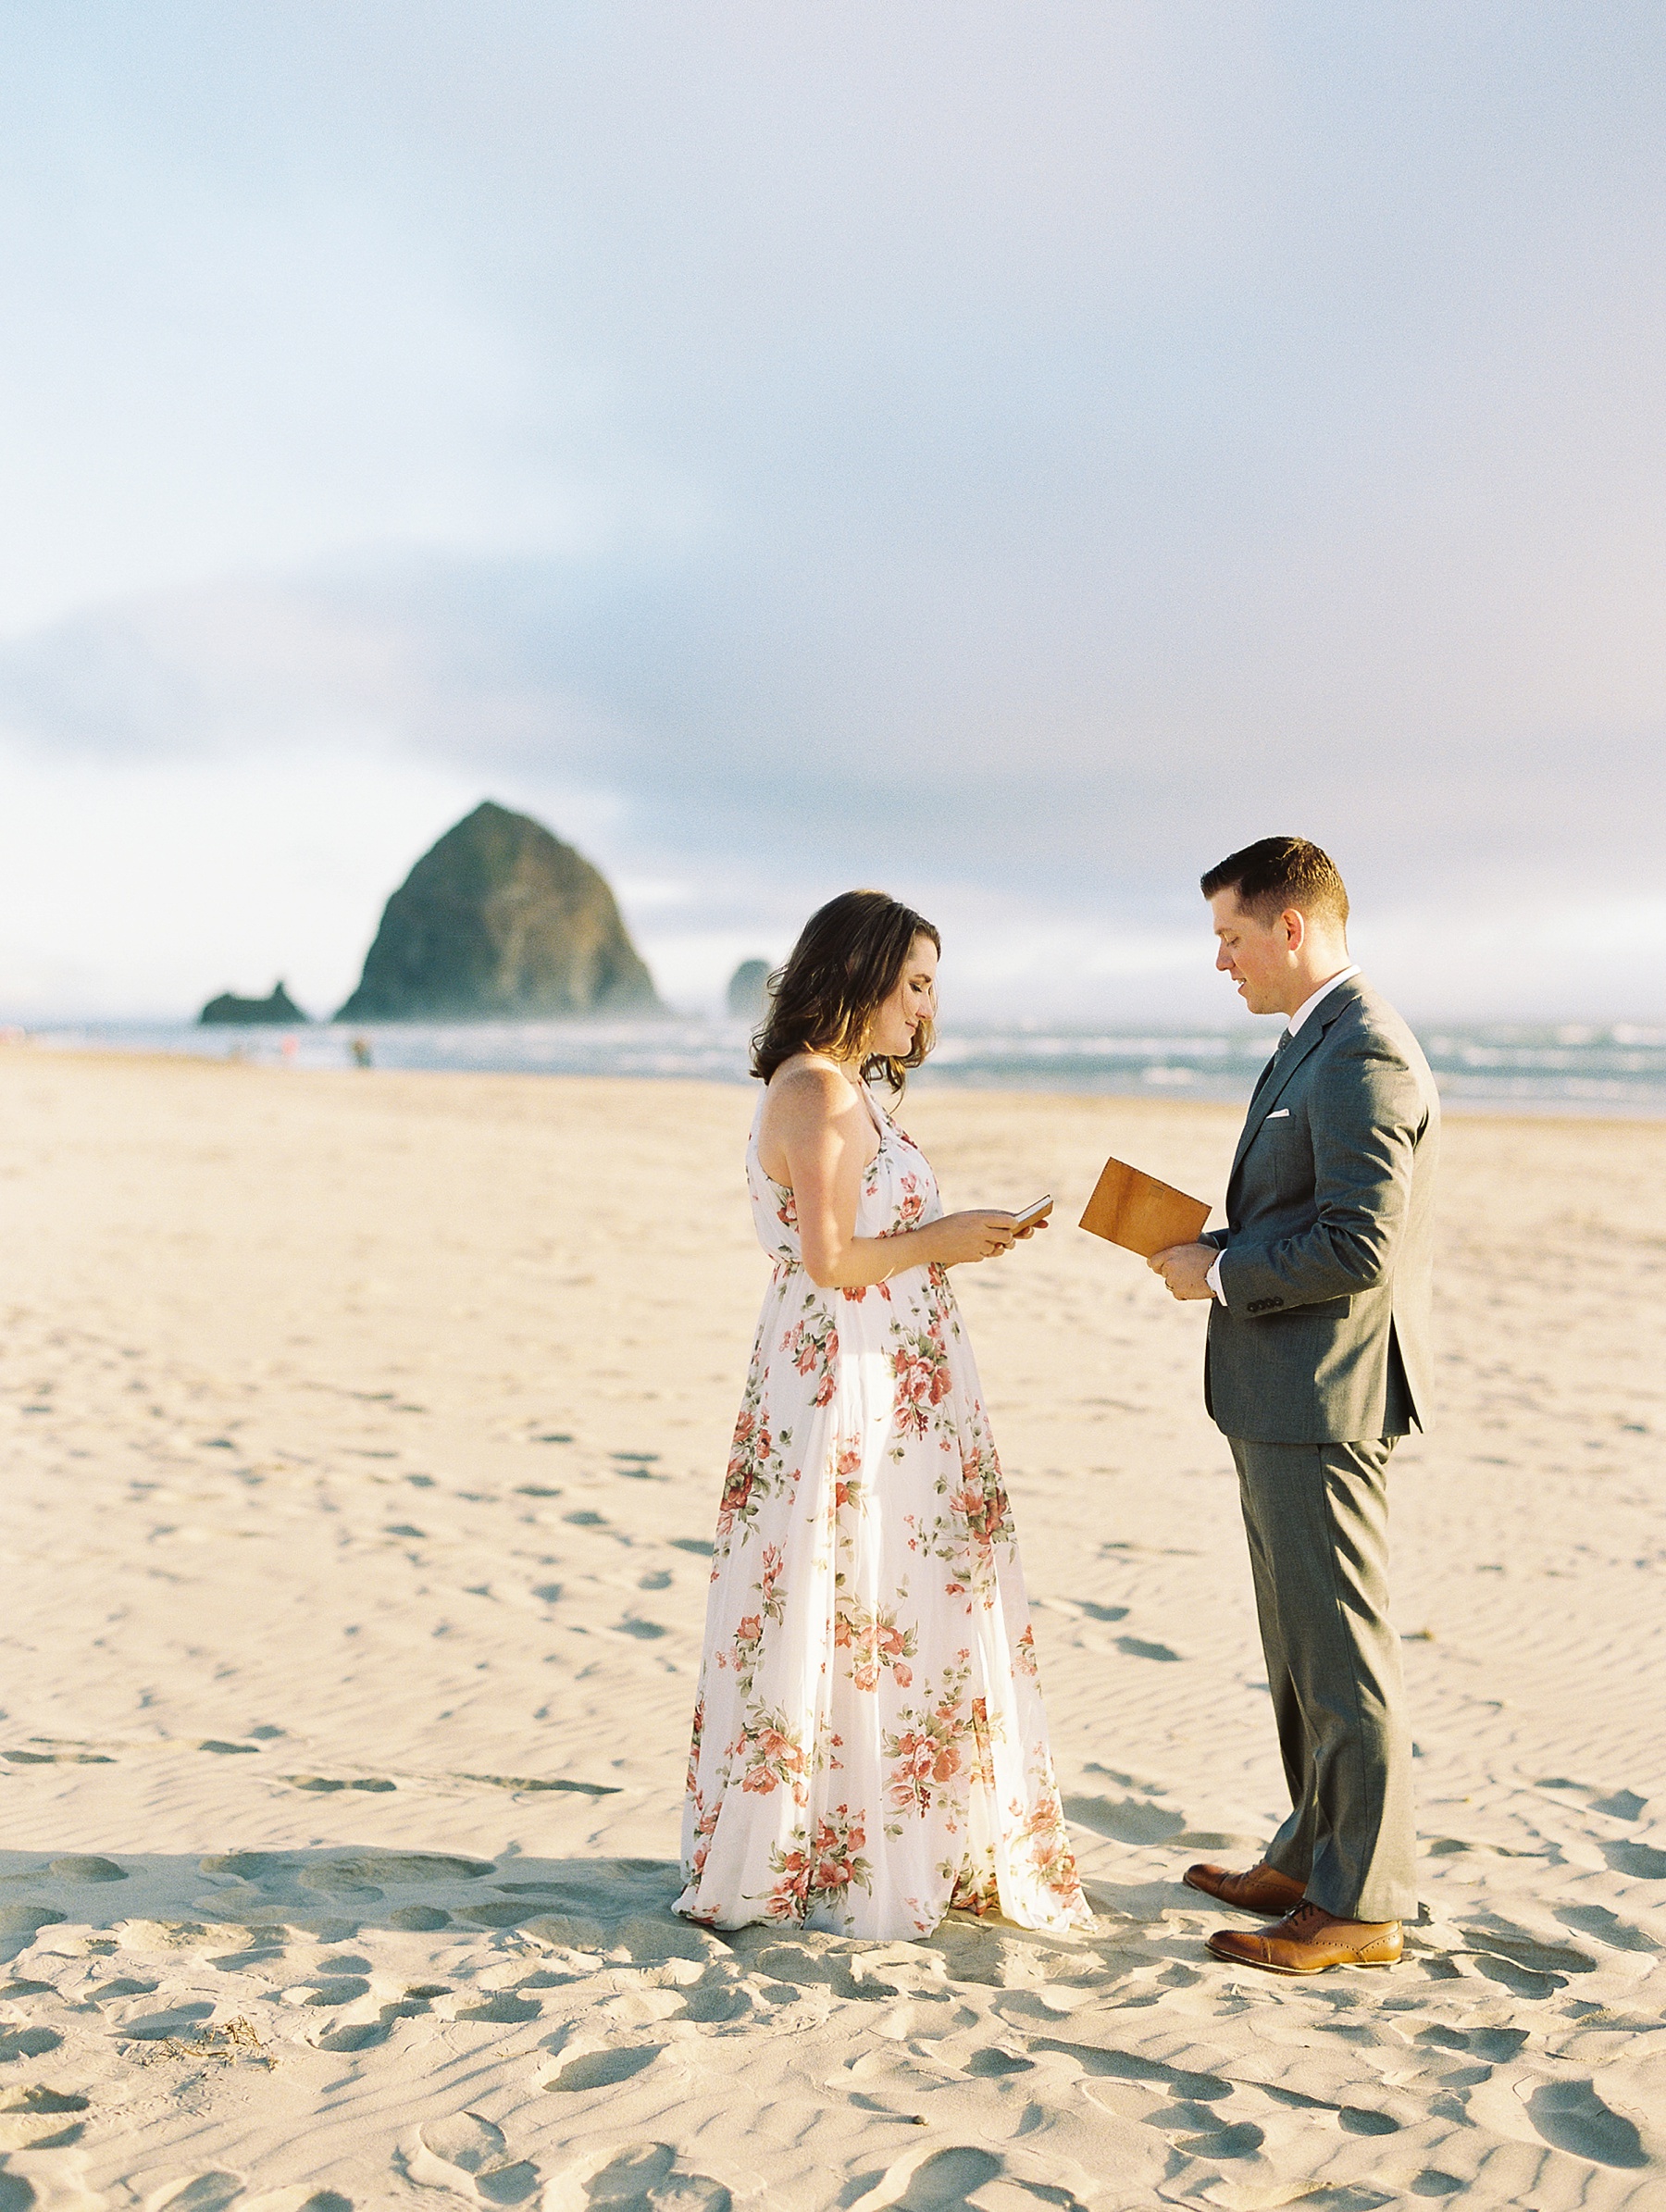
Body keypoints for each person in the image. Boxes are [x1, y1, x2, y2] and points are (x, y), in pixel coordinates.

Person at [676, 890, 1088, 1939]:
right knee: (845, 1592)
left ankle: (899, 1827)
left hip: (891, 1370)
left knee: (891, 1596)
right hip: (843, 1379)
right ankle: (828, 1848)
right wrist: (942, 1235)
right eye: (913, 982)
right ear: (857, 976)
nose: (926, 1005)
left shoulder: (848, 1090)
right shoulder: (813, 1091)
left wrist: (952, 1239)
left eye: (931, 984)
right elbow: (830, 1258)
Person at [1150, 837, 1438, 1975]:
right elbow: (1303, 1212)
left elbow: (1359, 1243)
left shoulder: (1362, 1050)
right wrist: (1214, 1247)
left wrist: (1220, 1273)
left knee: (1342, 1649)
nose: (1221, 960)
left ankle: (1362, 1901)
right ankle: (1314, 1848)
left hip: (1323, 1392)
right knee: (1296, 1644)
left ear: (1291, 928)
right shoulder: (1307, 1043)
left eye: (1229, 936)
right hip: (1275, 1389)